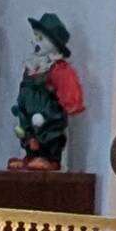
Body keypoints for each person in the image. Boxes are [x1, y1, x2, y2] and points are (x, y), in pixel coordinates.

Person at [11, 14, 86, 168]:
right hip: (28, 117)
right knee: (26, 133)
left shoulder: (58, 69)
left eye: (41, 38)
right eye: (36, 37)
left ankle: (51, 159)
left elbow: (70, 97)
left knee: (49, 135)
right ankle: (29, 156)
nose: (36, 42)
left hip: (48, 120)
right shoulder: (31, 68)